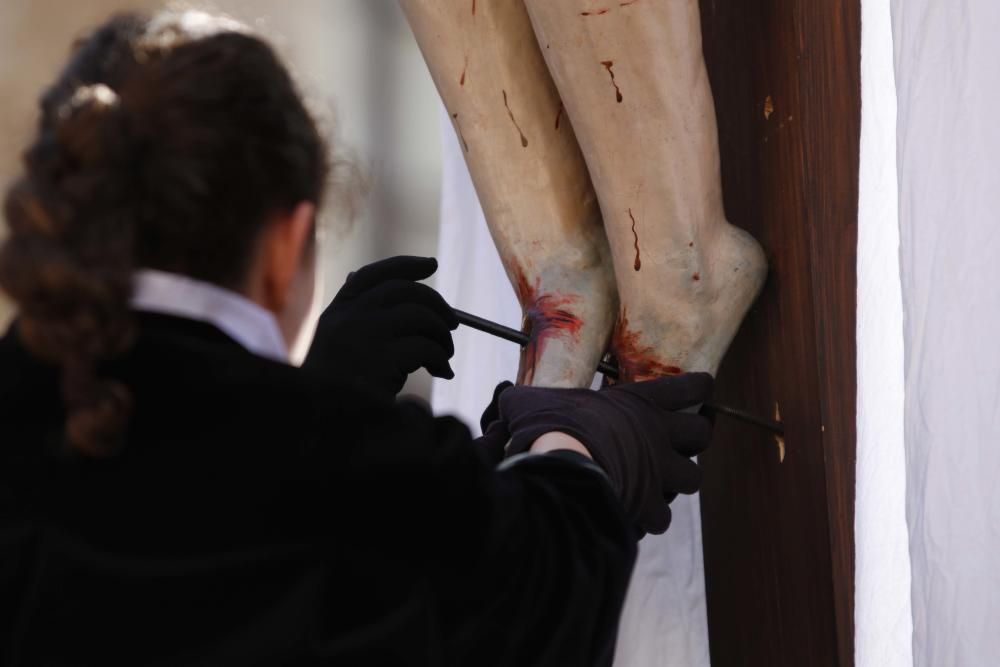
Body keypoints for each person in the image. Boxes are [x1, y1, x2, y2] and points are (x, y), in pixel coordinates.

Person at [0, 10, 713, 666]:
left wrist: (319, 395)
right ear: (287, 245)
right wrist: (578, 450)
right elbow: (532, 597)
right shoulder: (343, 470)